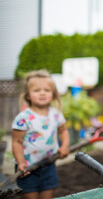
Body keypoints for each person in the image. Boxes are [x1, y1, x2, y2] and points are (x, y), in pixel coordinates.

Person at [12, 70, 70, 199]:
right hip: (27, 169)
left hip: (49, 165)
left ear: (53, 94)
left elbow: (63, 131)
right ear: (27, 95)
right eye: (37, 90)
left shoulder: (55, 114)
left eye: (47, 90)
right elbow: (17, 142)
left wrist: (64, 146)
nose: (42, 93)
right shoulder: (23, 118)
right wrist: (21, 163)